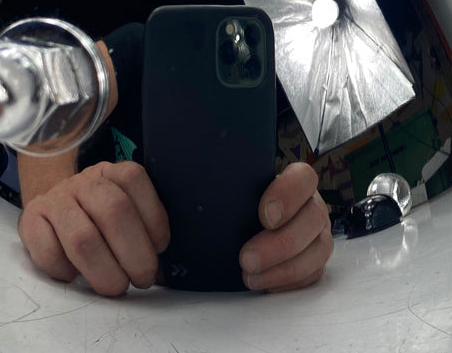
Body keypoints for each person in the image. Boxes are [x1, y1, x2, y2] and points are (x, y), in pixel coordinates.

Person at [17, 25, 333, 298]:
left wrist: (299, 228)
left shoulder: (251, 120)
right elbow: (51, 100)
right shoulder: (140, 49)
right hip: (102, 301)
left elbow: (278, 201)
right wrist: (54, 202)